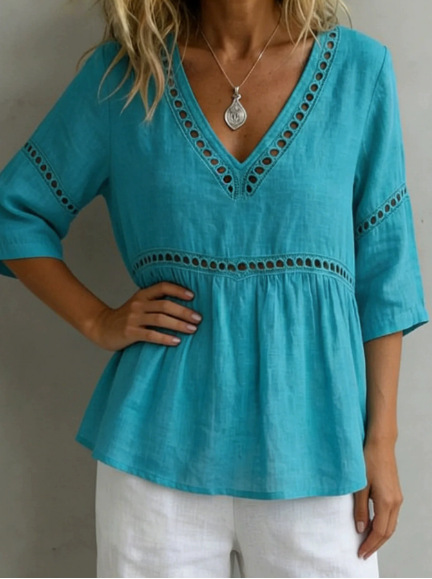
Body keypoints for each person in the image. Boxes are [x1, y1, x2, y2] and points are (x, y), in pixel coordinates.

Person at [0, 0, 429, 577]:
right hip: (155, 460)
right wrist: (97, 320)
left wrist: (382, 442)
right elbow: (14, 211)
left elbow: (385, 274)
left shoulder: (359, 71)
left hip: (322, 453)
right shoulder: (126, 78)